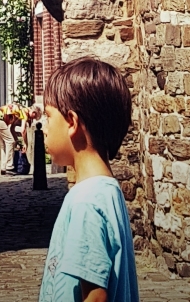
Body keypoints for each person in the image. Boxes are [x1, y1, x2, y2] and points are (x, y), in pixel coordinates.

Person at [38, 59, 139, 302]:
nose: (44, 126)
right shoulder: (107, 191)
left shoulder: (86, 203)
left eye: (49, 117)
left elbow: (95, 296)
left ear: (72, 123)